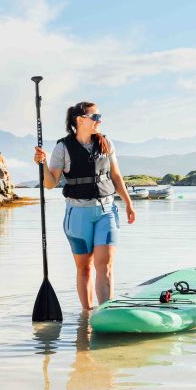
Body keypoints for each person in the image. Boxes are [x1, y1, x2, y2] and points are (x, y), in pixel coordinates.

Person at [34, 101, 136, 310]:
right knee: (85, 269)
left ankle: (106, 314)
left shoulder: (106, 142)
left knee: (105, 265)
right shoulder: (62, 148)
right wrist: (42, 164)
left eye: (100, 117)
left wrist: (128, 203)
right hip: (78, 214)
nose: (100, 121)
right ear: (80, 120)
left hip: (107, 211)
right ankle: (87, 317)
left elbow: (116, 176)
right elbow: (51, 183)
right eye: (96, 117)